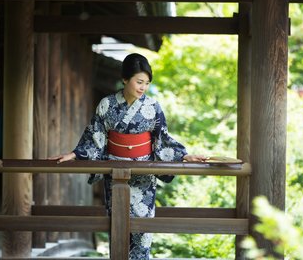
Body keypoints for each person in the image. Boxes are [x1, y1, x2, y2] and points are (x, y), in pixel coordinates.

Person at [51, 53, 206, 259]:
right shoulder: (107, 105)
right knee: (118, 226)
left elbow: (162, 139)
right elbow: (95, 136)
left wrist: (183, 156)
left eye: (147, 83)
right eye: (139, 82)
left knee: (142, 232)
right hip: (115, 173)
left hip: (144, 175)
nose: (143, 88)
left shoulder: (153, 107)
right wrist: (76, 154)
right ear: (125, 79)